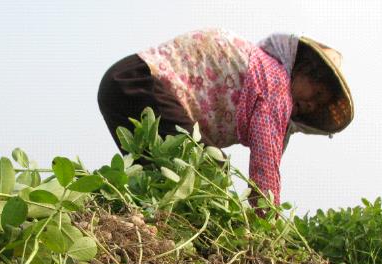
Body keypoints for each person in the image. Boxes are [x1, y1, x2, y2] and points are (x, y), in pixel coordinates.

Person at [97, 29, 354, 210]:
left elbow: (272, 154)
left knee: (163, 183)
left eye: (318, 105)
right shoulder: (276, 84)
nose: (312, 104)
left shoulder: (266, 77)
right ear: (304, 70)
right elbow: (265, 169)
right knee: (211, 170)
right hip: (142, 82)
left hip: (123, 83)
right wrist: (268, 228)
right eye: (317, 93)